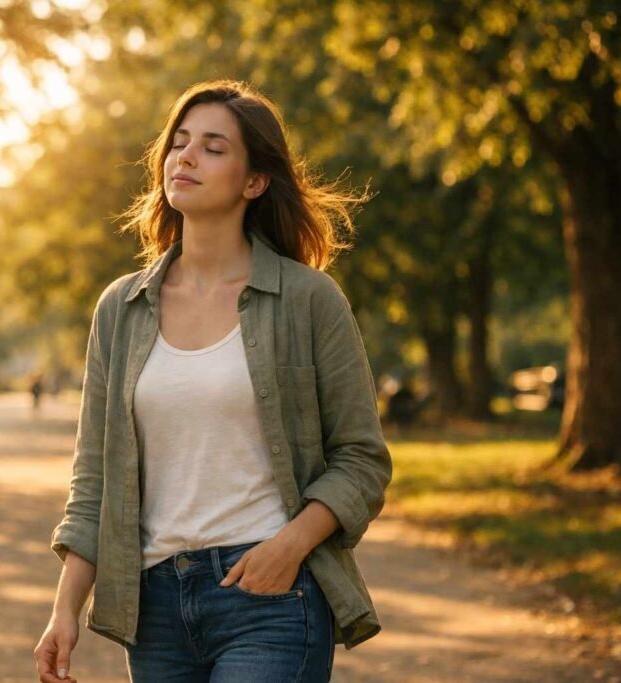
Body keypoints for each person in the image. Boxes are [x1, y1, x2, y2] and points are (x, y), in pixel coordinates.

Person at [34, 81, 392, 683]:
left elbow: (361, 458)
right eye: (178, 143)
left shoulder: (308, 299)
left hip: (272, 601)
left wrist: (289, 548)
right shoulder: (120, 309)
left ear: (255, 182)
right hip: (155, 610)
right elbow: (94, 478)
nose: (186, 157)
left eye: (213, 147)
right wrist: (63, 610)